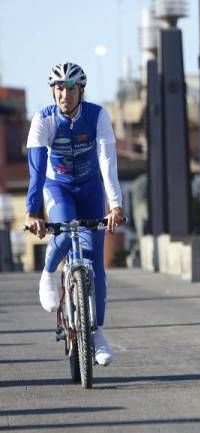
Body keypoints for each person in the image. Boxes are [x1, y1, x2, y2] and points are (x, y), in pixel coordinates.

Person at [25, 62, 124, 366]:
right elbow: (37, 170)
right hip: (58, 187)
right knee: (66, 230)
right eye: (58, 88)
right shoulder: (43, 120)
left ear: (81, 89)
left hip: (91, 188)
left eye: (70, 88)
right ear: (53, 91)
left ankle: (97, 334)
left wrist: (115, 204)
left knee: (96, 261)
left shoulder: (97, 116)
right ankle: (49, 273)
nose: (64, 94)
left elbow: (107, 162)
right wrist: (32, 212)